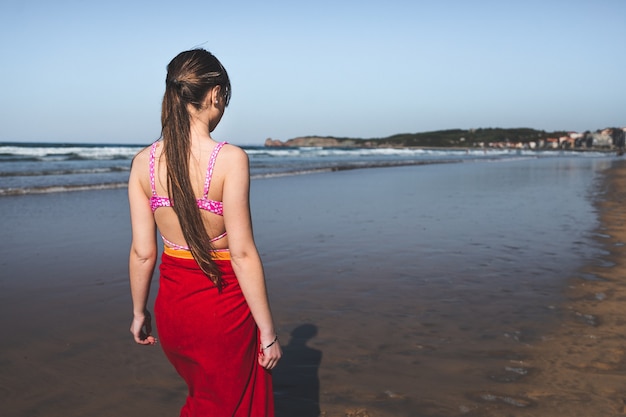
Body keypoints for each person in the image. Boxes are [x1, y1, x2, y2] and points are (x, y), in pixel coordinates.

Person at [128, 48, 281, 416]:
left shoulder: (142, 164)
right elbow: (242, 254)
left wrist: (138, 313)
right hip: (221, 310)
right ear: (214, 94)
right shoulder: (230, 160)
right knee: (230, 405)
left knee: (204, 398)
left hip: (173, 313)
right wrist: (268, 332)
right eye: (224, 97)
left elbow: (143, 253)